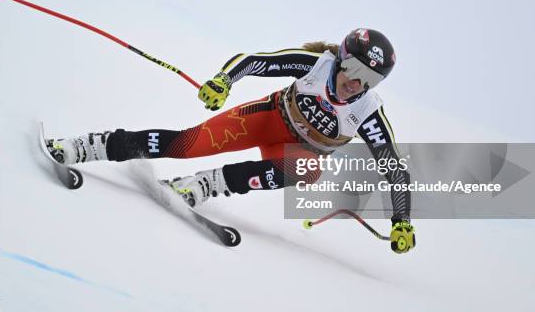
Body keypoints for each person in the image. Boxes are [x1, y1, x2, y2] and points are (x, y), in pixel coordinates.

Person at [46, 28, 415, 254]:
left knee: (309, 169)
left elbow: (393, 167)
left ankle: (203, 185)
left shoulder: (366, 109)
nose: (357, 84)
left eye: (371, 79)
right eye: (354, 71)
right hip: (265, 120)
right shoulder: (315, 63)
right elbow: (255, 60)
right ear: (342, 59)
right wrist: (224, 80)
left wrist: (402, 220)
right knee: (186, 145)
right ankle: (88, 146)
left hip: (292, 151)